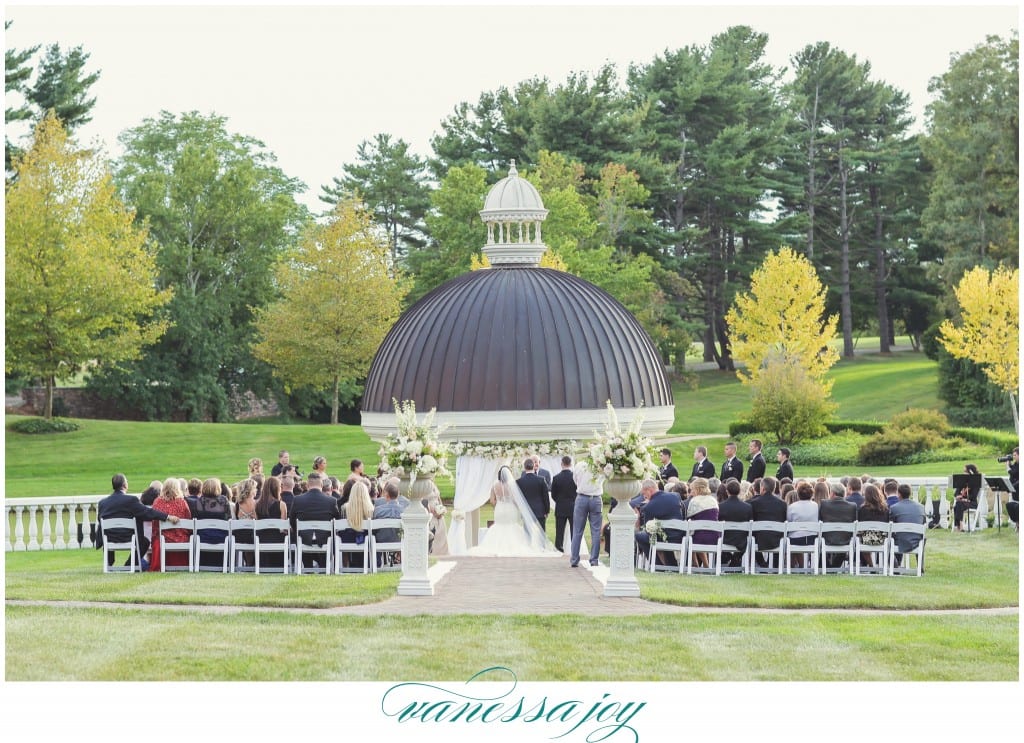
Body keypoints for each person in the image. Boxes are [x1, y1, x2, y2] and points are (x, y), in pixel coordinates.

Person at [96, 474, 180, 570]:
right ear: (125, 485)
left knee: (107, 533)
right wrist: (167, 516)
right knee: (144, 542)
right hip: (128, 536)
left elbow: (100, 520)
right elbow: (147, 512)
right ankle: (129, 565)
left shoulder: (102, 503)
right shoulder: (131, 500)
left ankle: (109, 563)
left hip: (109, 537)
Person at [469, 467, 558, 557]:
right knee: (511, 526)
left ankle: (498, 546)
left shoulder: (494, 485)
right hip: (510, 509)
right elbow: (516, 500)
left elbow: (492, 501)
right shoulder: (511, 485)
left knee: (499, 526)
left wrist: (499, 504)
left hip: (499, 509)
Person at [290, 471, 341, 570]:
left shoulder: (298, 500)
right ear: (321, 485)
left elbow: (292, 521)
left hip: (303, 538)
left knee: (302, 535)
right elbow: (337, 521)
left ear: (308, 485)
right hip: (325, 539)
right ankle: (323, 567)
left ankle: (308, 567)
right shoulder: (331, 501)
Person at [634, 479, 685, 567]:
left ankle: (657, 564)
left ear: (649, 490)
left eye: (644, 493)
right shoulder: (675, 496)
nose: (644, 496)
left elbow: (648, 529)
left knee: (640, 536)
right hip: (680, 535)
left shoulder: (649, 507)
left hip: (662, 538)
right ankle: (671, 564)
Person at [147, 478, 193, 572]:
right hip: (181, 538)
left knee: (157, 537)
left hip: (163, 539)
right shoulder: (182, 503)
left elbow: (155, 524)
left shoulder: (157, 502)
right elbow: (188, 521)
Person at [571, 460, 604, 567]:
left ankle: (574, 559)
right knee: (595, 531)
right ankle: (594, 559)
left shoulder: (579, 465)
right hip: (596, 498)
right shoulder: (601, 465)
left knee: (577, 531)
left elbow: (575, 480)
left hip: (582, 497)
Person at [193, 477, 232, 568]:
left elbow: (194, 519)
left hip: (202, 537)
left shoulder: (198, 501)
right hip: (221, 537)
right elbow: (229, 519)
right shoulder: (224, 500)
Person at [749, 476, 787, 567]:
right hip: (777, 539)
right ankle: (774, 565)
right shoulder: (783, 504)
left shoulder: (753, 503)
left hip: (758, 539)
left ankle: (761, 562)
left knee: (750, 534)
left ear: (762, 488)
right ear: (774, 489)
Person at [819, 481, 857, 569]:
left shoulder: (824, 504)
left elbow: (820, 520)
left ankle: (828, 567)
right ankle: (833, 567)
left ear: (832, 493)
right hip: (845, 539)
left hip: (827, 539)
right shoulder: (852, 506)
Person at [338, 480, 373, 570]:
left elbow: (341, 529)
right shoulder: (371, 509)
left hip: (347, 540)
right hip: (366, 540)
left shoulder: (344, 508)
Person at [255, 475, 288, 570]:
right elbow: (283, 528)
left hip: (262, 539)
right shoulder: (281, 505)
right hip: (278, 539)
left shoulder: (257, 505)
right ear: (276, 489)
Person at [889, 483, 926, 565]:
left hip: (900, 541)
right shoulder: (921, 507)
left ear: (899, 494)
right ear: (910, 493)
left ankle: (897, 564)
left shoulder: (894, 508)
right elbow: (923, 523)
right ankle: (920, 565)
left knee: (894, 536)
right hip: (917, 541)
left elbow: (890, 524)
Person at [685, 481, 719, 569]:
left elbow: (688, 516)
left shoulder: (694, 501)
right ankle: (705, 564)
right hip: (714, 535)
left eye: (692, 489)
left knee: (690, 533)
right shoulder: (713, 500)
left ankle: (695, 563)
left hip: (699, 536)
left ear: (697, 489)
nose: (691, 492)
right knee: (698, 531)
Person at [786, 481, 819, 569]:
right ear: (811, 494)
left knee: (792, 536)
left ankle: (793, 567)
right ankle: (801, 567)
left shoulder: (792, 507)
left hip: (795, 540)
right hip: (812, 539)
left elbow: (788, 521)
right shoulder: (816, 506)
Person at [857, 483, 889, 568]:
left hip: (865, 539)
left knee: (859, 537)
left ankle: (871, 565)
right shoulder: (885, 509)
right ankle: (871, 565)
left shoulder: (862, 509)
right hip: (882, 538)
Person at [549, 455, 577, 552]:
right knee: (574, 530)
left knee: (559, 530)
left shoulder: (556, 478)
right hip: (573, 506)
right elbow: (578, 491)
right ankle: (574, 548)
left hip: (560, 507)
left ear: (562, 464)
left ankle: (559, 548)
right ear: (571, 464)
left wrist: (559, 501)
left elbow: (553, 494)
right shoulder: (575, 477)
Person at [516, 457, 550, 534]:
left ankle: (529, 546)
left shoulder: (519, 481)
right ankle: (541, 546)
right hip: (540, 511)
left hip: (526, 511)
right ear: (533, 466)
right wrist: (547, 511)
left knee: (527, 534)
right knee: (542, 533)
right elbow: (546, 497)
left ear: (524, 467)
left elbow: (518, 498)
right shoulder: (541, 480)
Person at [953, 463, 981, 531]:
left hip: (971, 503)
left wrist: (965, 499)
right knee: (958, 504)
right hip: (962, 502)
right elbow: (956, 493)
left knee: (958, 505)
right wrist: (957, 496)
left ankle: (959, 526)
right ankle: (960, 525)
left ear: (970, 472)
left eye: (965, 471)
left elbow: (973, 496)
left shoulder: (975, 482)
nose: (963, 473)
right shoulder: (962, 481)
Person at [1006, 448, 1019, 532]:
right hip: (1015, 493)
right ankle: (1017, 524)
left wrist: (1008, 468)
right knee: (1009, 505)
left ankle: (1019, 526)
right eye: (1013, 455)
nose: (1013, 457)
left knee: (1018, 507)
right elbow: (1012, 476)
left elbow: (1015, 473)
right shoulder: (1015, 465)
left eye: (1015, 455)